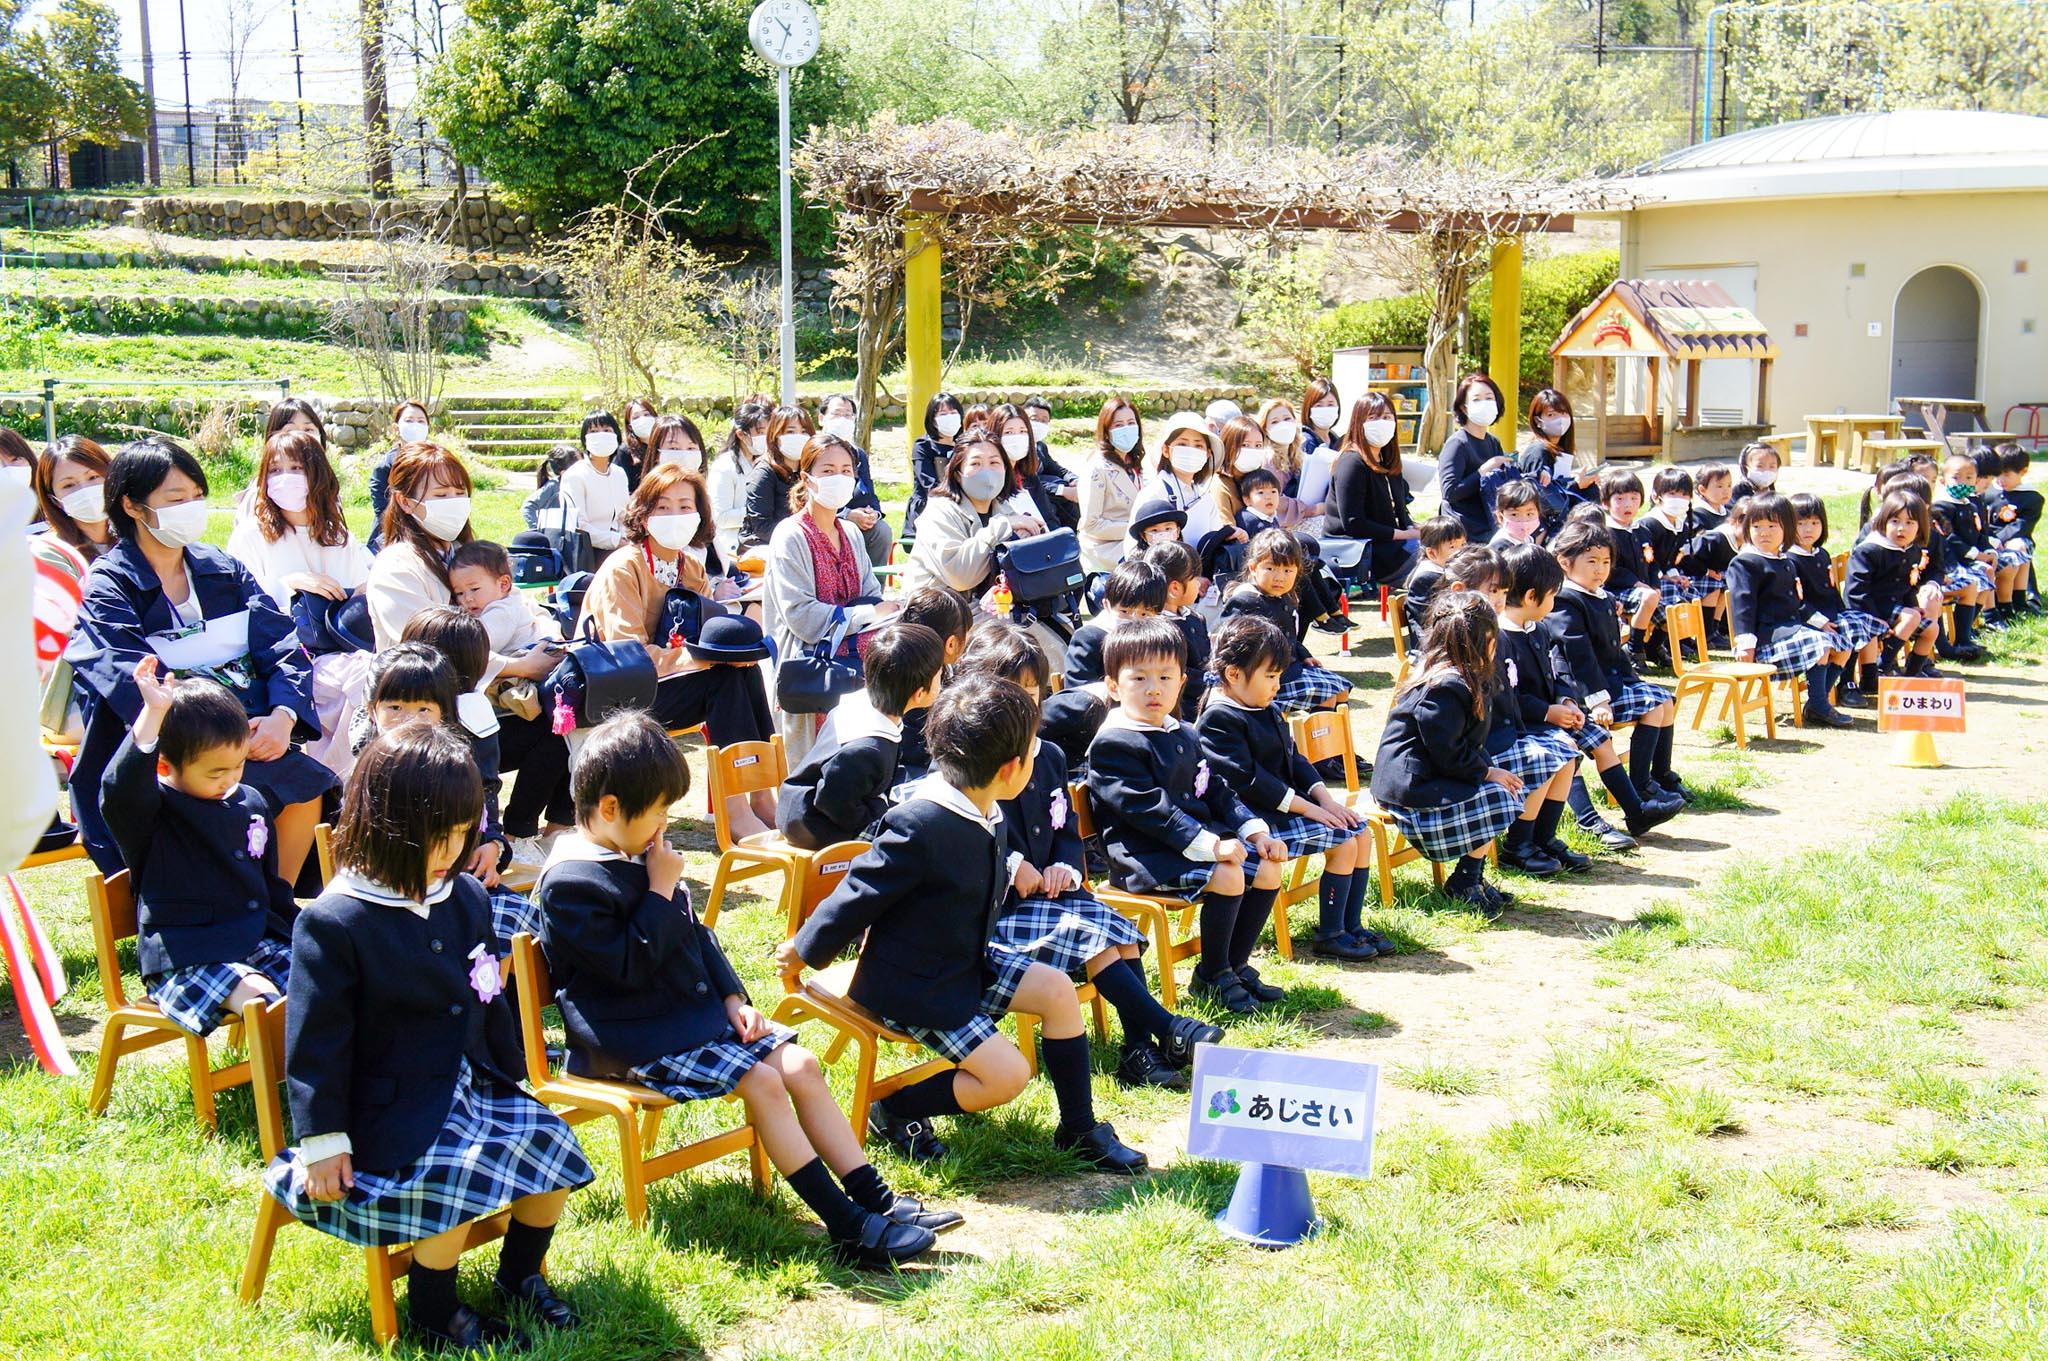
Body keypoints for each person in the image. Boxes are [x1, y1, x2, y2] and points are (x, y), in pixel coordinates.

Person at [535, 712, 953, 1266]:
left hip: (685, 1020)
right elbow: (627, 968)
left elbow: (696, 936)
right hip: (632, 1039)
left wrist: (733, 998)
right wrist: (659, 891)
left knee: (800, 1065)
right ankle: (846, 1225)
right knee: (763, 1081)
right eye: (658, 810)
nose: (664, 824)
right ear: (610, 808)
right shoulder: (571, 881)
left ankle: (875, 1198)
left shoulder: (637, 854)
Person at [262, 723, 592, 1352]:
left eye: (462, 833)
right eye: (434, 837)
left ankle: (520, 1275)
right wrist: (323, 1139)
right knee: (453, 1178)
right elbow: (316, 1044)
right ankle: (435, 1311)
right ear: (384, 827)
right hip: (385, 1109)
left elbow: (485, 996)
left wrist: (510, 1073)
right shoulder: (335, 920)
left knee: (549, 1145)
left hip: (465, 1081)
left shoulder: (463, 895)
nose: (451, 851)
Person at [778, 675, 1149, 1172]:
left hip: (968, 961)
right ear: (1011, 768)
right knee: (1008, 1075)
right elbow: (860, 892)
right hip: (916, 987)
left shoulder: (983, 806)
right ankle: (894, 1109)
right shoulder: (919, 822)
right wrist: (803, 949)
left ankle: (1079, 1128)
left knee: (1058, 991)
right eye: (1034, 753)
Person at [955, 622, 1224, 1090]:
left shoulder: (1048, 755)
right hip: (998, 910)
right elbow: (965, 837)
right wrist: (1014, 866)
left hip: (1053, 895)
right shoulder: (965, 761)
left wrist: (1063, 863)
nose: (1023, 705)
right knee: (1095, 940)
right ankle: (1167, 1028)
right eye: (1009, 692)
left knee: (1122, 934)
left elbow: (1065, 826)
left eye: (1031, 692)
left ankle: (1139, 1050)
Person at [65, 437, 335, 884]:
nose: (191, 508)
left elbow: (281, 644)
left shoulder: (222, 568)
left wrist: (283, 717)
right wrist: (223, 738)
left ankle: (278, 905)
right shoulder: (108, 586)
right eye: (176, 499)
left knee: (305, 784)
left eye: (197, 497)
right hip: (170, 751)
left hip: (250, 735)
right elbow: (126, 677)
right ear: (132, 506)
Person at [367, 444, 568, 850]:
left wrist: (548, 639)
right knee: (547, 727)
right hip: (426, 715)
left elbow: (517, 602)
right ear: (405, 502)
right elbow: (432, 647)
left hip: (479, 703)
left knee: (567, 714)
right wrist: (519, 667)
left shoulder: (462, 555)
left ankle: (544, 831)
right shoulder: (397, 566)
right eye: (441, 495)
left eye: (459, 493)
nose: (454, 503)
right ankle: (509, 836)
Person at [1086, 619, 1288, 1015]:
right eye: (1139, 678)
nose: (1154, 689)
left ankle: (1234, 966)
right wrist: (1211, 845)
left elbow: (1215, 790)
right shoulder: (1114, 743)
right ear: (1113, 686)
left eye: (1165, 677)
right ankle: (1212, 974)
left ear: (1182, 682)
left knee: (1267, 868)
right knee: (1228, 874)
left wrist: (1254, 832)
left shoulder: (1183, 732)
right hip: (1145, 857)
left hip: (1188, 846)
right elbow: (1151, 811)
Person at [577, 462, 778, 836]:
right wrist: (702, 659)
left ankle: (762, 795)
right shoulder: (624, 568)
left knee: (742, 670)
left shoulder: (691, 567)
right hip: (621, 690)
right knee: (723, 678)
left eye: (685, 506)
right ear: (644, 514)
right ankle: (734, 808)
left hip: (674, 682)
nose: (675, 516)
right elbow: (627, 654)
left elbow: (707, 634)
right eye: (663, 507)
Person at [100, 658, 296, 1038]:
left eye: (238, 766)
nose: (230, 780)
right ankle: (285, 1076)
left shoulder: (251, 803)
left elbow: (269, 885)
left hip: (256, 941)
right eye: (215, 773)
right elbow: (119, 789)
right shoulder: (152, 812)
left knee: (323, 977)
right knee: (263, 998)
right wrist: (154, 713)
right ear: (164, 767)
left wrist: (300, 933)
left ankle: (343, 1069)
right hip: (187, 957)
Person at [1198, 616, 1383, 962]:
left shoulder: (1263, 705)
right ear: (1234, 674)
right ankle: (1331, 933)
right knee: (1344, 841)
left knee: (1359, 831)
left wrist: (1326, 800)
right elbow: (1250, 782)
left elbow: (1294, 757)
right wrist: (1311, 809)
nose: (1277, 685)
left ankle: (1351, 926)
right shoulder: (1219, 717)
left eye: (1279, 676)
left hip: (1285, 808)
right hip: (1255, 822)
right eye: (1270, 676)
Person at [1494, 542, 1680, 859]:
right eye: (1552, 595)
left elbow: (1557, 669)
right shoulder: (1500, 638)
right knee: (1565, 751)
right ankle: (1581, 823)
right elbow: (1506, 697)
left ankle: (1636, 810)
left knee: (1599, 739)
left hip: (1553, 713)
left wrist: (1566, 700)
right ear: (1531, 597)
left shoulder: (1537, 628)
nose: (1555, 601)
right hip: (1524, 723)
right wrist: (1549, 712)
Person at [1368, 592, 1521, 912]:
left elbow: (1468, 745)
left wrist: (1490, 772)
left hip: (1432, 775)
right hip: (1411, 788)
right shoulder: (1443, 687)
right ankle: (1465, 880)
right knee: (1498, 797)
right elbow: (1447, 752)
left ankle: (1473, 877)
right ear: (1487, 642)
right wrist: (1486, 773)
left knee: (1503, 789)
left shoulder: (1463, 677)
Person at [764, 434, 895, 767]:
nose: (839, 477)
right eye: (828, 470)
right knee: (816, 773)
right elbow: (802, 617)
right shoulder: (790, 535)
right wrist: (865, 614)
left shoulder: (851, 533)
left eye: (846, 470)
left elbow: (871, 593)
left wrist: (883, 611)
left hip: (858, 659)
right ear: (807, 478)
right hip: (812, 667)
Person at [1544, 520, 1688, 810]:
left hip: (1610, 682)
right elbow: (1578, 655)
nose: (1600, 569)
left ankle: (1660, 775)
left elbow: (1614, 650)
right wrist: (1598, 700)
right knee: (1653, 705)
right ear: (1564, 562)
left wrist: (1633, 680)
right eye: (1591, 561)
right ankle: (1642, 785)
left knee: (1663, 700)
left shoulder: (1602, 595)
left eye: (1606, 561)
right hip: (1581, 692)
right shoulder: (1565, 600)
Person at [778, 622, 944, 851]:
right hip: (815, 824)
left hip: (808, 810)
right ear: (919, 693)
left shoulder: (862, 706)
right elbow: (832, 800)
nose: (942, 679)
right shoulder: (866, 749)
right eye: (939, 675)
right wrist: (880, 813)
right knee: (913, 838)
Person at [1727, 492, 1850, 727]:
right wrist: (1746, 644)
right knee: (1821, 644)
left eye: (1772, 526)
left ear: (1788, 528)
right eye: (1756, 526)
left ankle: (1817, 702)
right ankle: (1820, 705)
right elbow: (1743, 606)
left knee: (1842, 644)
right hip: (1766, 640)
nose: (1764, 533)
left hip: (1790, 629)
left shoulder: (1783, 560)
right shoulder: (1746, 562)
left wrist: (1818, 622)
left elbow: (1795, 601)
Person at [227, 428, 372, 611]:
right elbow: (243, 603)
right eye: (275, 470)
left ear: (318, 474)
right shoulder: (250, 535)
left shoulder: (339, 538)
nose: (284, 478)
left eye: (296, 468)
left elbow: (362, 594)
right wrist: (291, 585)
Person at [1218, 529, 1353, 714]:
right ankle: (1314, 733)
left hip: (1290, 668)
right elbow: (1229, 644)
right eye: (1270, 568)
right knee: (1327, 695)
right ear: (1253, 568)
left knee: (1341, 689)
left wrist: (1304, 655)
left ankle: (1329, 732)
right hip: (1263, 677)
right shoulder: (1245, 600)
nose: (1279, 577)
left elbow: (1289, 636)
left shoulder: (1284, 597)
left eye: (1288, 570)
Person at [1787, 492, 1883, 710]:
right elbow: (1794, 601)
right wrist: (1821, 622)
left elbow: (1831, 591)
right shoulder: (1789, 559)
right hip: (1807, 620)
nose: (1808, 529)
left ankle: (1862, 679)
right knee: (1847, 631)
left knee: (1863, 622)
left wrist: (1843, 612)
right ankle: (1844, 686)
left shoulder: (1821, 554)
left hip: (1830, 614)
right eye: (1801, 523)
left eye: (1815, 522)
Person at [1843, 487, 1945, 686]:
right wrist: (1876, 619)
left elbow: (1907, 584)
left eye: (1910, 523)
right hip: (1867, 610)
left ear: (1920, 527)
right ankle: (1881, 668)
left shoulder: (1912, 550)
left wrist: (1913, 605)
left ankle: (1912, 674)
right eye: (1895, 521)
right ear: (1883, 522)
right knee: (1910, 617)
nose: (1901, 528)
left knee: (1931, 628)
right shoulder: (1869, 550)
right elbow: (1856, 591)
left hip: (1894, 609)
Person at [900, 433, 1016, 600]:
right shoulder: (939, 512)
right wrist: (1001, 527)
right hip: (937, 609)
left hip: (989, 608)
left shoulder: (1005, 510)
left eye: (994, 463)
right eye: (975, 463)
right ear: (957, 473)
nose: (987, 472)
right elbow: (961, 577)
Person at [1322, 392, 1419, 585]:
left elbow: (1399, 510)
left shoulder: (1388, 460)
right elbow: (1354, 523)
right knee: (1432, 556)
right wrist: (1405, 535)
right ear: (1358, 423)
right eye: (1373, 418)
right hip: (1363, 550)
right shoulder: (1351, 462)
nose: (1381, 423)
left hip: (1390, 543)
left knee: (1444, 542)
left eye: (1387, 417)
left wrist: (1412, 527)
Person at [887, 586, 975, 784]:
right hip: (916, 776)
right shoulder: (924, 685)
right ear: (951, 644)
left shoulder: (899, 662)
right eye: (967, 633)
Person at [817, 392, 895, 566]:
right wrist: (846, 515)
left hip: (859, 519)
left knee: (882, 531)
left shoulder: (858, 454)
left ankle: (874, 583)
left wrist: (874, 513)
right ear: (822, 418)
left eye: (848, 415)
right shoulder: (814, 452)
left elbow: (869, 491)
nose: (842, 420)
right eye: (836, 414)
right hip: (828, 520)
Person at [1062, 559, 1167, 687]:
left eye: (1144, 614)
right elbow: (1077, 689)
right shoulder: (1089, 639)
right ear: (1106, 605)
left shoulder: (1161, 639)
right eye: (1125, 611)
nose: (1134, 621)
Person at [1595, 468, 1664, 657]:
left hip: (1645, 588)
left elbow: (1652, 561)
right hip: (1617, 589)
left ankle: (1654, 647)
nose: (1628, 504)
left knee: (1671, 603)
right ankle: (1635, 650)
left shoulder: (1642, 531)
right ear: (1606, 503)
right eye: (1620, 499)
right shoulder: (1605, 533)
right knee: (1648, 597)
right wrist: (1637, 584)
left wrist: (1655, 585)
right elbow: (1611, 569)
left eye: (1634, 498)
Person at [1434, 373, 1510, 541]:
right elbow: (1450, 492)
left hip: (1491, 523)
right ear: (1464, 407)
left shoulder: (1493, 442)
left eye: (1489, 398)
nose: (1485, 404)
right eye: (1476, 399)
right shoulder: (1457, 443)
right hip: (1464, 530)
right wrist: (1482, 472)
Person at [1146, 540, 1212, 722]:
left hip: (1206, 699)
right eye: (1195, 580)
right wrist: (1211, 680)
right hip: (1180, 710)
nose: (1198, 584)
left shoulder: (1196, 618)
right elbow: (1176, 672)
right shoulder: (1157, 627)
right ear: (1175, 588)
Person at [1078, 396, 1145, 574]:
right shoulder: (1097, 468)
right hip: (1106, 551)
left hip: (1136, 542)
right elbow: (1091, 524)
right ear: (1106, 432)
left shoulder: (1134, 462)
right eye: (1118, 425)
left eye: (1131, 423)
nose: (1126, 429)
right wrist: (1138, 529)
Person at [448, 541, 547, 656]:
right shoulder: (509, 598)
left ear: (503, 584)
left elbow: (475, 647)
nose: (467, 598)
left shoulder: (502, 611)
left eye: (474, 589)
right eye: (459, 593)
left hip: (529, 659)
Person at [740, 405, 816, 552]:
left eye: (804, 432)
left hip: (803, 545)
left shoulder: (810, 470)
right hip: (766, 548)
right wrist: (802, 538)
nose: (798, 437)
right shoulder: (763, 473)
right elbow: (761, 527)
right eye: (790, 431)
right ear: (775, 436)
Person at [34, 434, 116, 563]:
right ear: (54, 500)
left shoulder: (138, 535)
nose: (85, 489)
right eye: (69, 485)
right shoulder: (50, 551)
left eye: (93, 477)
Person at [556, 412, 631, 553]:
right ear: (585, 439)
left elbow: (623, 516)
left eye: (607, 430)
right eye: (594, 431)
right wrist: (616, 541)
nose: (601, 435)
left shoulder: (619, 473)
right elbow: (579, 525)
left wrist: (626, 538)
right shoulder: (575, 475)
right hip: (588, 552)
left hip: (622, 547)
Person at [1150, 413, 1224, 553]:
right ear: (1166, 450)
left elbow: (1216, 540)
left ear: (1208, 454)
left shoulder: (1205, 497)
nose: (1191, 450)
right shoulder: (1154, 493)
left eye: (1198, 445)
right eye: (1182, 444)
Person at [1517, 388, 1587, 532]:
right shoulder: (1538, 451)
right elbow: (1541, 498)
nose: (1560, 419)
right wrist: (1576, 484)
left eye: (1563, 413)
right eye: (1551, 415)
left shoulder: (1559, 449)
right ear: (1537, 421)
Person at [366, 399, 431, 551]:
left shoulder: (435, 460)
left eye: (421, 421)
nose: (415, 425)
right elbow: (382, 509)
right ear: (396, 428)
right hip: (393, 535)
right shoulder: (386, 466)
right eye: (409, 420)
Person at [710, 400, 771, 564]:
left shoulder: (766, 463)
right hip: (734, 550)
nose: (766, 438)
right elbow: (720, 517)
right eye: (760, 432)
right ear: (741, 435)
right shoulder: (725, 467)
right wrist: (759, 513)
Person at [1398, 517, 1470, 653]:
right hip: (1433, 648)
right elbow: (1428, 623)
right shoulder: (1427, 578)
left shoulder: (1446, 570)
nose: (1461, 552)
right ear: (1431, 553)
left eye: (1463, 545)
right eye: (1452, 547)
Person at [905, 392, 966, 538]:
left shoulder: (964, 445)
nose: (949, 417)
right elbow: (929, 483)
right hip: (929, 509)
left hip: (964, 508)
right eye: (943, 414)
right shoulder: (923, 447)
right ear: (933, 420)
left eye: (953, 413)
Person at [1021, 396, 1080, 529]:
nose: (1039, 424)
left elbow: (1057, 469)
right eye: (1034, 419)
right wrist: (1062, 490)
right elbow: (1024, 481)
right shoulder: (1018, 449)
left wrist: (1075, 480)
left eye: (1044, 421)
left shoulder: (1040, 447)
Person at [520, 443, 579, 532]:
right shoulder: (554, 486)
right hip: (556, 534)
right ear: (564, 472)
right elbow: (528, 506)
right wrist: (537, 530)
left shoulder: (579, 484)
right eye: (579, 464)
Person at [1489, 480, 1545, 550]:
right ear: (1500, 517)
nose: (1524, 521)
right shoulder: (1500, 547)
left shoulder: (1528, 539)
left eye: (1529, 514)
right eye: (1514, 514)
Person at [1299, 377, 1343, 460]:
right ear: (1308, 408)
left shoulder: (1337, 442)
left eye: (1330, 405)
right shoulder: (1306, 442)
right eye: (1319, 405)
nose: (1325, 409)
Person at [619, 397, 658, 489]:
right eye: (636, 417)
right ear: (630, 426)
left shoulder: (665, 445)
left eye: (646, 414)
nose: (643, 419)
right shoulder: (625, 452)